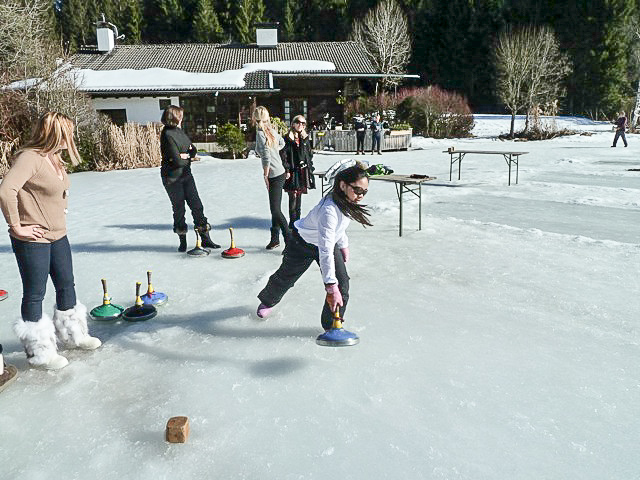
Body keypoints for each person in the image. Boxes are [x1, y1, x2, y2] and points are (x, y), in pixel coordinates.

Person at [0, 111, 101, 370]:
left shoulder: (55, 158)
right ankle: (41, 353)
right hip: (34, 238)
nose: (73, 136)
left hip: (58, 234)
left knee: (67, 284)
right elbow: (6, 190)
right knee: (35, 293)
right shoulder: (30, 158)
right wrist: (16, 226)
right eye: (69, 131)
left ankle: (74, 335)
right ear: (55, 132)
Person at [256, 159, 372, 330]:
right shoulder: (329, 210)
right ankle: (268, 301)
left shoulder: (346, 201)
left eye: (365, 192)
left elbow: (340, 228)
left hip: (327, 242)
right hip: (302, 242)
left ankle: (332, 324)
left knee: (343, 285)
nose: (360, 195)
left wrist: (343, 244)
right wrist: (330, 287)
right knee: (286, 276)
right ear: (342, 186)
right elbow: (325, 250)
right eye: (357, 190)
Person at [160, 105, 220, 252]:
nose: (182, 118)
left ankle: (205, 239)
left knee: (197, 205)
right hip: (172, 178)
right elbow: (177, 160)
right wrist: (185, 157)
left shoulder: (179, 131)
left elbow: (193, 150)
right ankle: (183, 242)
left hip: (186, 174)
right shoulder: (167, 134)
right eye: (180, 115)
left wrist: (185, 156)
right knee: (179, 209)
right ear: (174, 117)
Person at [253, 106, 290, 250]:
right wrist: (274, 150)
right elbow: (282, 143)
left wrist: (265, 174)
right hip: (279, 172)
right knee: (275, 208)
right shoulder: (270, 130)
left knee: (275, 209)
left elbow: (266, 157)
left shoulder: (261, 133)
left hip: (274, 174)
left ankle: (289, 239)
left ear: (255, 118)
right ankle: (275, 239)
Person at [282, 115, 315, 228]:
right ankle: (292, 222)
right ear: (293, 123)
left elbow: (309, 155)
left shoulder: (305, 138)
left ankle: (298, 221)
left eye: (303, 123)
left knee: (299, 196)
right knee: (293, 197)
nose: (301, 125)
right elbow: (284, 155)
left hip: (302, 171)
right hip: (292, 171)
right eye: (298, 122)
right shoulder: (288, 138)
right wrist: (286, 169)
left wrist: (310, 168)